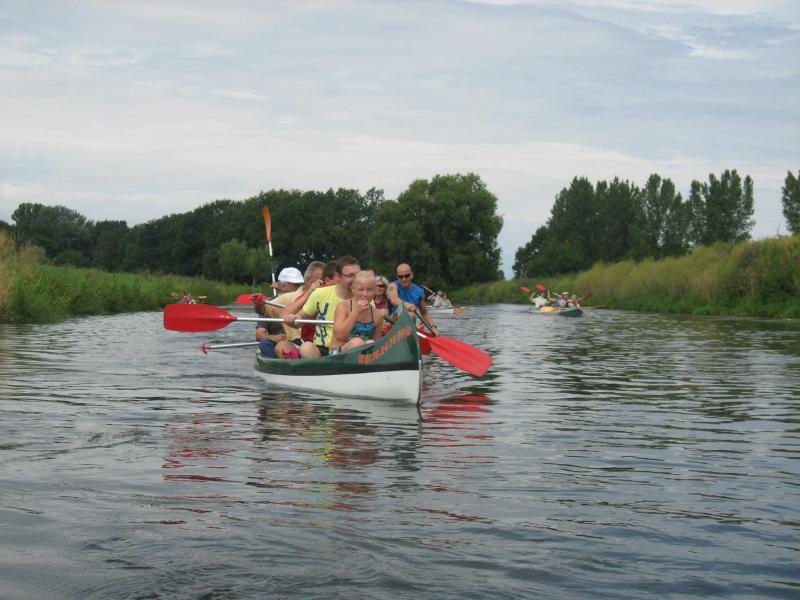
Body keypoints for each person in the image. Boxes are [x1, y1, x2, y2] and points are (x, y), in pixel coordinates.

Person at [283, 255, 361, 358]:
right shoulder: (320, 293)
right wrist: (294, 318)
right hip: (322, 349)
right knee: (306, 348)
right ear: (339, 276)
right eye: (350, 276)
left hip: (349, 348)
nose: (355, 280)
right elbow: (301, 317)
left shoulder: (364, 297)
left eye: (358, 275)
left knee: (358, 343)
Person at [256, 263, 324, 359]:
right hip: (295, 344)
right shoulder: (286, 298)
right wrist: (259, 303)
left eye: (298, 284)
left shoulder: (329, 294)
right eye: (321, 281)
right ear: (308, 281)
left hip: (318, 344)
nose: (297, 287)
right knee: (268, 344)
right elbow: (262, 311)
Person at [331, 270, 385, 353]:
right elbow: (339, 336)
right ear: (353, 289)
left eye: (369, 290)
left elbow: (376, 344)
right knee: (357, 342)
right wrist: (355, 312)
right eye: (360, 290)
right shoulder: (343, 306)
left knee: (371, 343)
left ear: (374, 291)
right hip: (338, 354)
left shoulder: (377, 314)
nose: (365, 294)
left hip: (363, 356)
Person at [386, 263, 440, 335]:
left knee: (411, 315)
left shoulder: (419, 292)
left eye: (406, 276)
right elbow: (394, 300)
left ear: (411, 275)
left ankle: (408, 335)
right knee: (409, 314)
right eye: (400, 277)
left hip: (409, 324)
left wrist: (433, 327)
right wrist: (406, 304)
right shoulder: (392, 286)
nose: (404, 279)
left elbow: (424, 312)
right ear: (397, 277)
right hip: (392, 321)